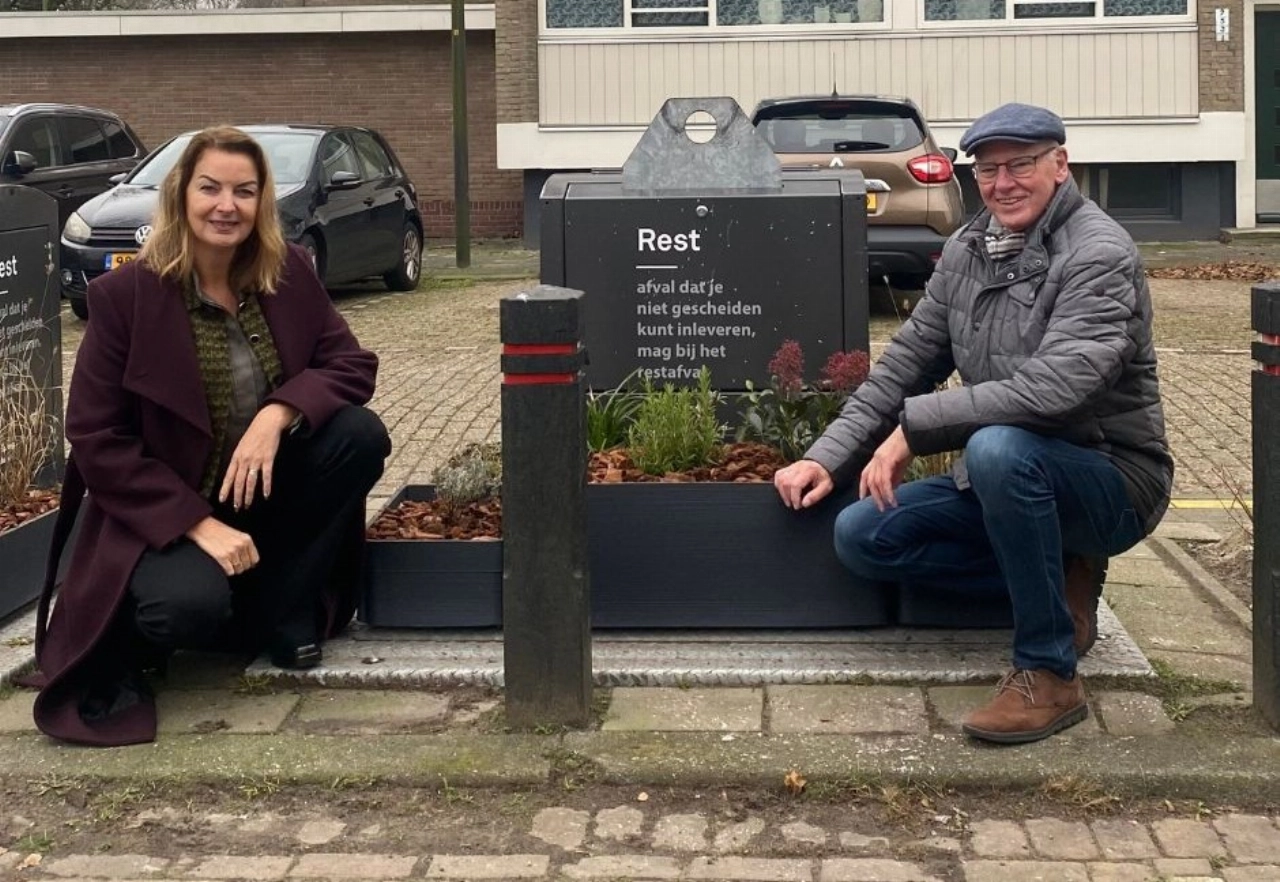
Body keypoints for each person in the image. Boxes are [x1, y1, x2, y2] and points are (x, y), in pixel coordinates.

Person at [774, 103, 1173, 744]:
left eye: (1020, 165)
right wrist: (826, 456)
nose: (1002, 183)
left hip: (1110, 478)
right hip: (1007, 474)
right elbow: (904, 365)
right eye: (988, 170)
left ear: (1060, 165)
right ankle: (1059, 578)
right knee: (862, 535)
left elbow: (1059, 387)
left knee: (995, 448)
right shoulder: (968, 249)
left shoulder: (1099, 253)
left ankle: (1049, 671)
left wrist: (913, 432)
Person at [31, 125, 391, 747]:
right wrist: (197, 524)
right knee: (184, 611)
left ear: (261, 202)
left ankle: (280, 608)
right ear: (181, 196)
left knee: (358, 435)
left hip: (262, 494)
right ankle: (206, 612)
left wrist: (279, 413)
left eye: (244, 192)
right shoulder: (123, 298)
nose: (227, 205)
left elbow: (351, 365)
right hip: (164, 514)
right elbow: (95, 435)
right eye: (210, 189)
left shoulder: (288, 273)